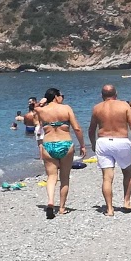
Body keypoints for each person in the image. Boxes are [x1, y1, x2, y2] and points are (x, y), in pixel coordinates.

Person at [88, 84, 131, 215]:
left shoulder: (97, 108)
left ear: (102, 95)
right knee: (127, 173)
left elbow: (91, 129)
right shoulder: (124, 105)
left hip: (103, 141)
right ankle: (126, 202)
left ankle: (110, 209)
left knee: (107, 178)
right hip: (121, 141)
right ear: (116, 94)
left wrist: (93, 144)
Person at [34, 88, 85, 220]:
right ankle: (62, 208)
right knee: (65, 178)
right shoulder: (66, 108)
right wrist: (83, 145)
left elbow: (33, 110)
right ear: (56, 97)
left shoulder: (41, 110)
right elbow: (77, 128)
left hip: (48, 145)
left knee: (51, 177)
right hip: (65, 144)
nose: (62, 97)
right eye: (61, 95)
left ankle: (50, 202)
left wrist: (42, 102)